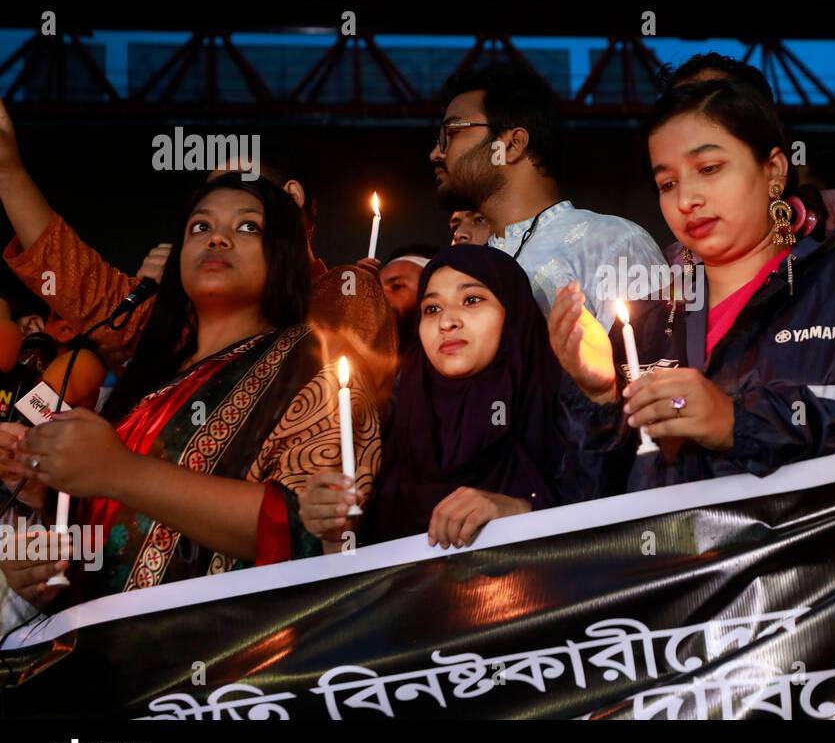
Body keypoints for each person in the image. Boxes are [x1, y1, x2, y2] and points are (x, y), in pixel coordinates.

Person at [550, 78, 835, 494]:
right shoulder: (646, 328)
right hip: (677, 560)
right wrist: (598, 397)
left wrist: (739, 422)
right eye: (667, 184)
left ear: (774, 170)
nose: (686, 199)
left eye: (709, 169)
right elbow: (586, 508)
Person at [0, 174, 382, 610]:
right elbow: (113, 535)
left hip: (221, 662)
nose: (217, 238)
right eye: (200, 227)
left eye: (247, 227)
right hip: (96, 658)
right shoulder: (151, 377)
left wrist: (121, 471)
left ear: (285, 256)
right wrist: (41, 546)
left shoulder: (317, 363)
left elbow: (315, 531)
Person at [0, 100, 398, 399]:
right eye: (202, 222)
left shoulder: (345, 291)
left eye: (243, 214)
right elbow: (80, 283)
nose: (217, 237)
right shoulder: (183, 313)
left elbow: (337, 403)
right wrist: (8, 172)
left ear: (291, 198)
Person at [302, 245, 567, 551]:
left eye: (471, 300)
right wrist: (331, 531)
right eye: (432, 309)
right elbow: (354, 569)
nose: (447, 322)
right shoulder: (392, 426)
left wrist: (523, 511)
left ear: (513, 313)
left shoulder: (565, 408)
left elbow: (607, 527)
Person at [430, 62, 667, 331]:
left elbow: (655, 364)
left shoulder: (612, 242)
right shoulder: (472, 263)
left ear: (511, 144)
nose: (436, 153)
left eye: (451, 133)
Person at [662, 52, 835, 270]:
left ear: (773, 162)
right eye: (667, 184)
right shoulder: (673, 265)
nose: (686, 200)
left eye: (716, 110)